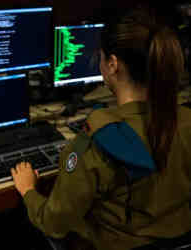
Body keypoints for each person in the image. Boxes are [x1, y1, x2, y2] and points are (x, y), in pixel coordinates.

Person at [11, 4, 191, 250]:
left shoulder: (96, 141)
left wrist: (28, 190)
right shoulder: (185, 119)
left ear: (113, 64)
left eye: (101, 58)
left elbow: (54, 223)